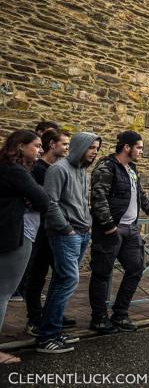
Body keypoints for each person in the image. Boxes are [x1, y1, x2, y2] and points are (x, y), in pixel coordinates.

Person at [88, 131, 149, 334]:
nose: (141, 151)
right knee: (102, 273)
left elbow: (140, 195)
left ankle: (120, 314)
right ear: (127, 147)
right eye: (139, 147)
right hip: (110, 230)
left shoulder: (132, 168)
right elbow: (98, 197)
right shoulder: (106, 166)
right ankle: (99, 319)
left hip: (131, 230)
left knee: (136, 268)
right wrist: (109, 226)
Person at [37, 131, 101, 354]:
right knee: (68, 280)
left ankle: (52, 331)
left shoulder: (82, 171)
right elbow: (50, 203)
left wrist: (88, 224)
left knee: (60, 281)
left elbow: (82, 202)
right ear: (80, 146)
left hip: (82, 233)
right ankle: (46, 338)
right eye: (91, 147)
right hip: (66, 234)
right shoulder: (58, 169)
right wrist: (67, 230)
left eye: (97, 148)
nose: (95, 152)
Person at [0, 130, 49, 365]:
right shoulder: (16, 171)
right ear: (21, 146)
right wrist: (29, 198)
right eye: (37, 145)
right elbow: (43, 200)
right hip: (11, 238)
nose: (40, 150)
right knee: (2, 294)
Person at [24, 129, 75, 337]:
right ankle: (34, 319)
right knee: (37, 275)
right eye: (64, 144)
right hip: (40, 230)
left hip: (55, 230)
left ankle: (53, 312)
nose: (67, 148)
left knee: (61, 274)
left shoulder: (60, 168)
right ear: (52, 144)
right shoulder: (38, 169)